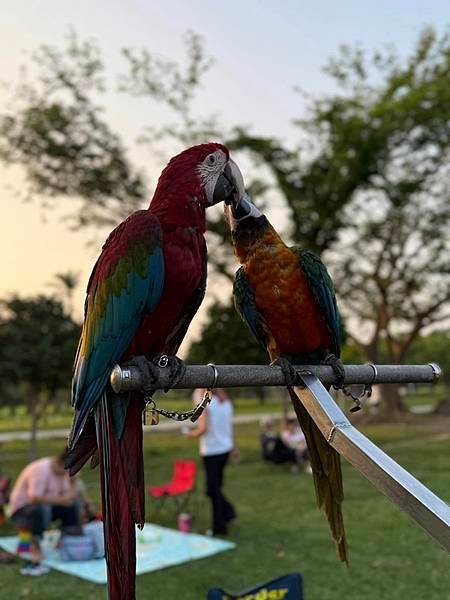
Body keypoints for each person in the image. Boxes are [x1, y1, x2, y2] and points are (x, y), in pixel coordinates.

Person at [9, 450, 80, 576]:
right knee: (42, 508)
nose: (66, 474)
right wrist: (62, 500)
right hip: (22, 511)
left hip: (45, 508)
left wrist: (74, 483)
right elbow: (34, 498)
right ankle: (35, 548)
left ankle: (68, 541)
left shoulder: (64, 472)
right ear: (59, 462)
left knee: (73, 505)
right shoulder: (40, 469)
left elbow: (70, 498)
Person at [186, 388, 236, 536]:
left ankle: (219, 527)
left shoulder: (202, 398)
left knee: (212, 490)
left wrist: (189, 434)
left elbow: (203, 428)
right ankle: (229, 513)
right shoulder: (225, 401)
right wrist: (234, 447)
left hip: (212, 451)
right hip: (225, 449)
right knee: (214, 489)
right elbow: (228, 427)